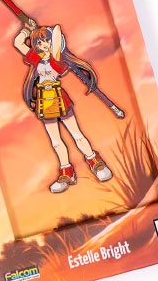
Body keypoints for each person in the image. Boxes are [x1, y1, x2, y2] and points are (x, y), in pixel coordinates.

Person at [13, 19, 113, 193]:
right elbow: (18, 43)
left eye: (46, 41)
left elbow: (58, 35)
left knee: (77, 135)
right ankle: (67, 172)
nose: (43, 45)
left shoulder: (58, 59)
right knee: (56, 142)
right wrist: (27, 29)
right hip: (44, 101)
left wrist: (53, 33)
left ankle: (95, 162)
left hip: (59, 98)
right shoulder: (36, 59)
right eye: (39, 42)